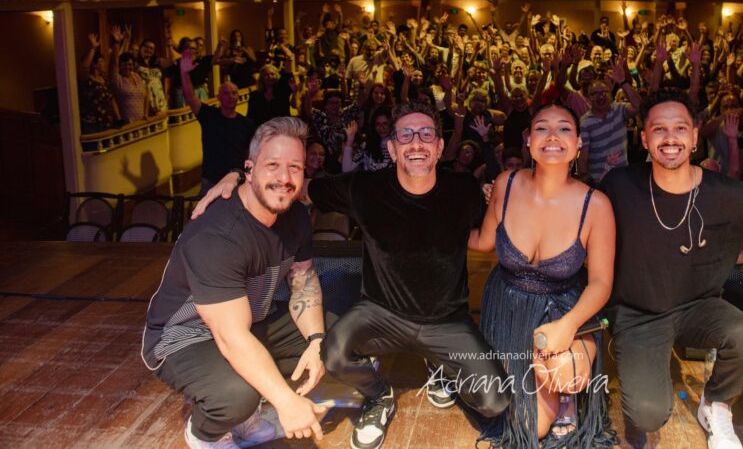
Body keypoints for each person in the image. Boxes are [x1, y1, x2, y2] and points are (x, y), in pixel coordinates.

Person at [199, 99, 512, 449]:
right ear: (392, 148)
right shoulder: (365, 188)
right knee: (331, 353)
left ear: (440, 147)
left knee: (495, 402)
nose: (416, 142)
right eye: (405, 135)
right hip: (381, 313)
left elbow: (505, 209)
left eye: (426, 134)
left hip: (448, 320)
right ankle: (379, 396)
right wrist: (240, 175)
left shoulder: (464, 189)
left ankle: (442, 366)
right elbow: (298, 185)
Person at [599, 87, 743, 449]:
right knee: (648, 415)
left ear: (695, 136)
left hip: (698, 306)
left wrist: (738, 253)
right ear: (645, 137)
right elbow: (580, 218)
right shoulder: (619, 185)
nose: (670, 138)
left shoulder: (725, 192)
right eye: (659, 130)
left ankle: (716, 404)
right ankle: (643, 363)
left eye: (680, 128)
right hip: (639, 315)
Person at [142, 117, 331, 449]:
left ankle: (246, 417)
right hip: (185, 334)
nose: (284, 179)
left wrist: (316, 341)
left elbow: (304, 280)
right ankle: (206, 434)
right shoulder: (218, 235)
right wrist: (286, 402)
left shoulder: (296, 216)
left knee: (337, 340)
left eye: (295, 167)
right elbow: (230, 338)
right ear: (249, 168)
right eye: (273, 165)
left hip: (246, 320)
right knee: (237, 396)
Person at [470, 102, 616, 447]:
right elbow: (483, 241)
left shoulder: (595, 205)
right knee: (524, 424)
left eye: (564, 128)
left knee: (564, 376)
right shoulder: (506, 184)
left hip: (562, 311)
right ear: (528, 139)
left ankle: (566, 399)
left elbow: (601, 282)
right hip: (506, 309)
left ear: (579, 143)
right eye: (542, 128)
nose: (553, 136)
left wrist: (567, 328)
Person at [180, 49, 255, 193]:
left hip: (237, 180)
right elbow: (189, 96)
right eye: (225, 93)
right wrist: (184, 73)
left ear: (238, 97)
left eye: (234, 93)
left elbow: (250, 154)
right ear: (219, 97)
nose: (230, 96)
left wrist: (249, 178)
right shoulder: (208, 115)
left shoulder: (246, 123)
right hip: (212, 180)